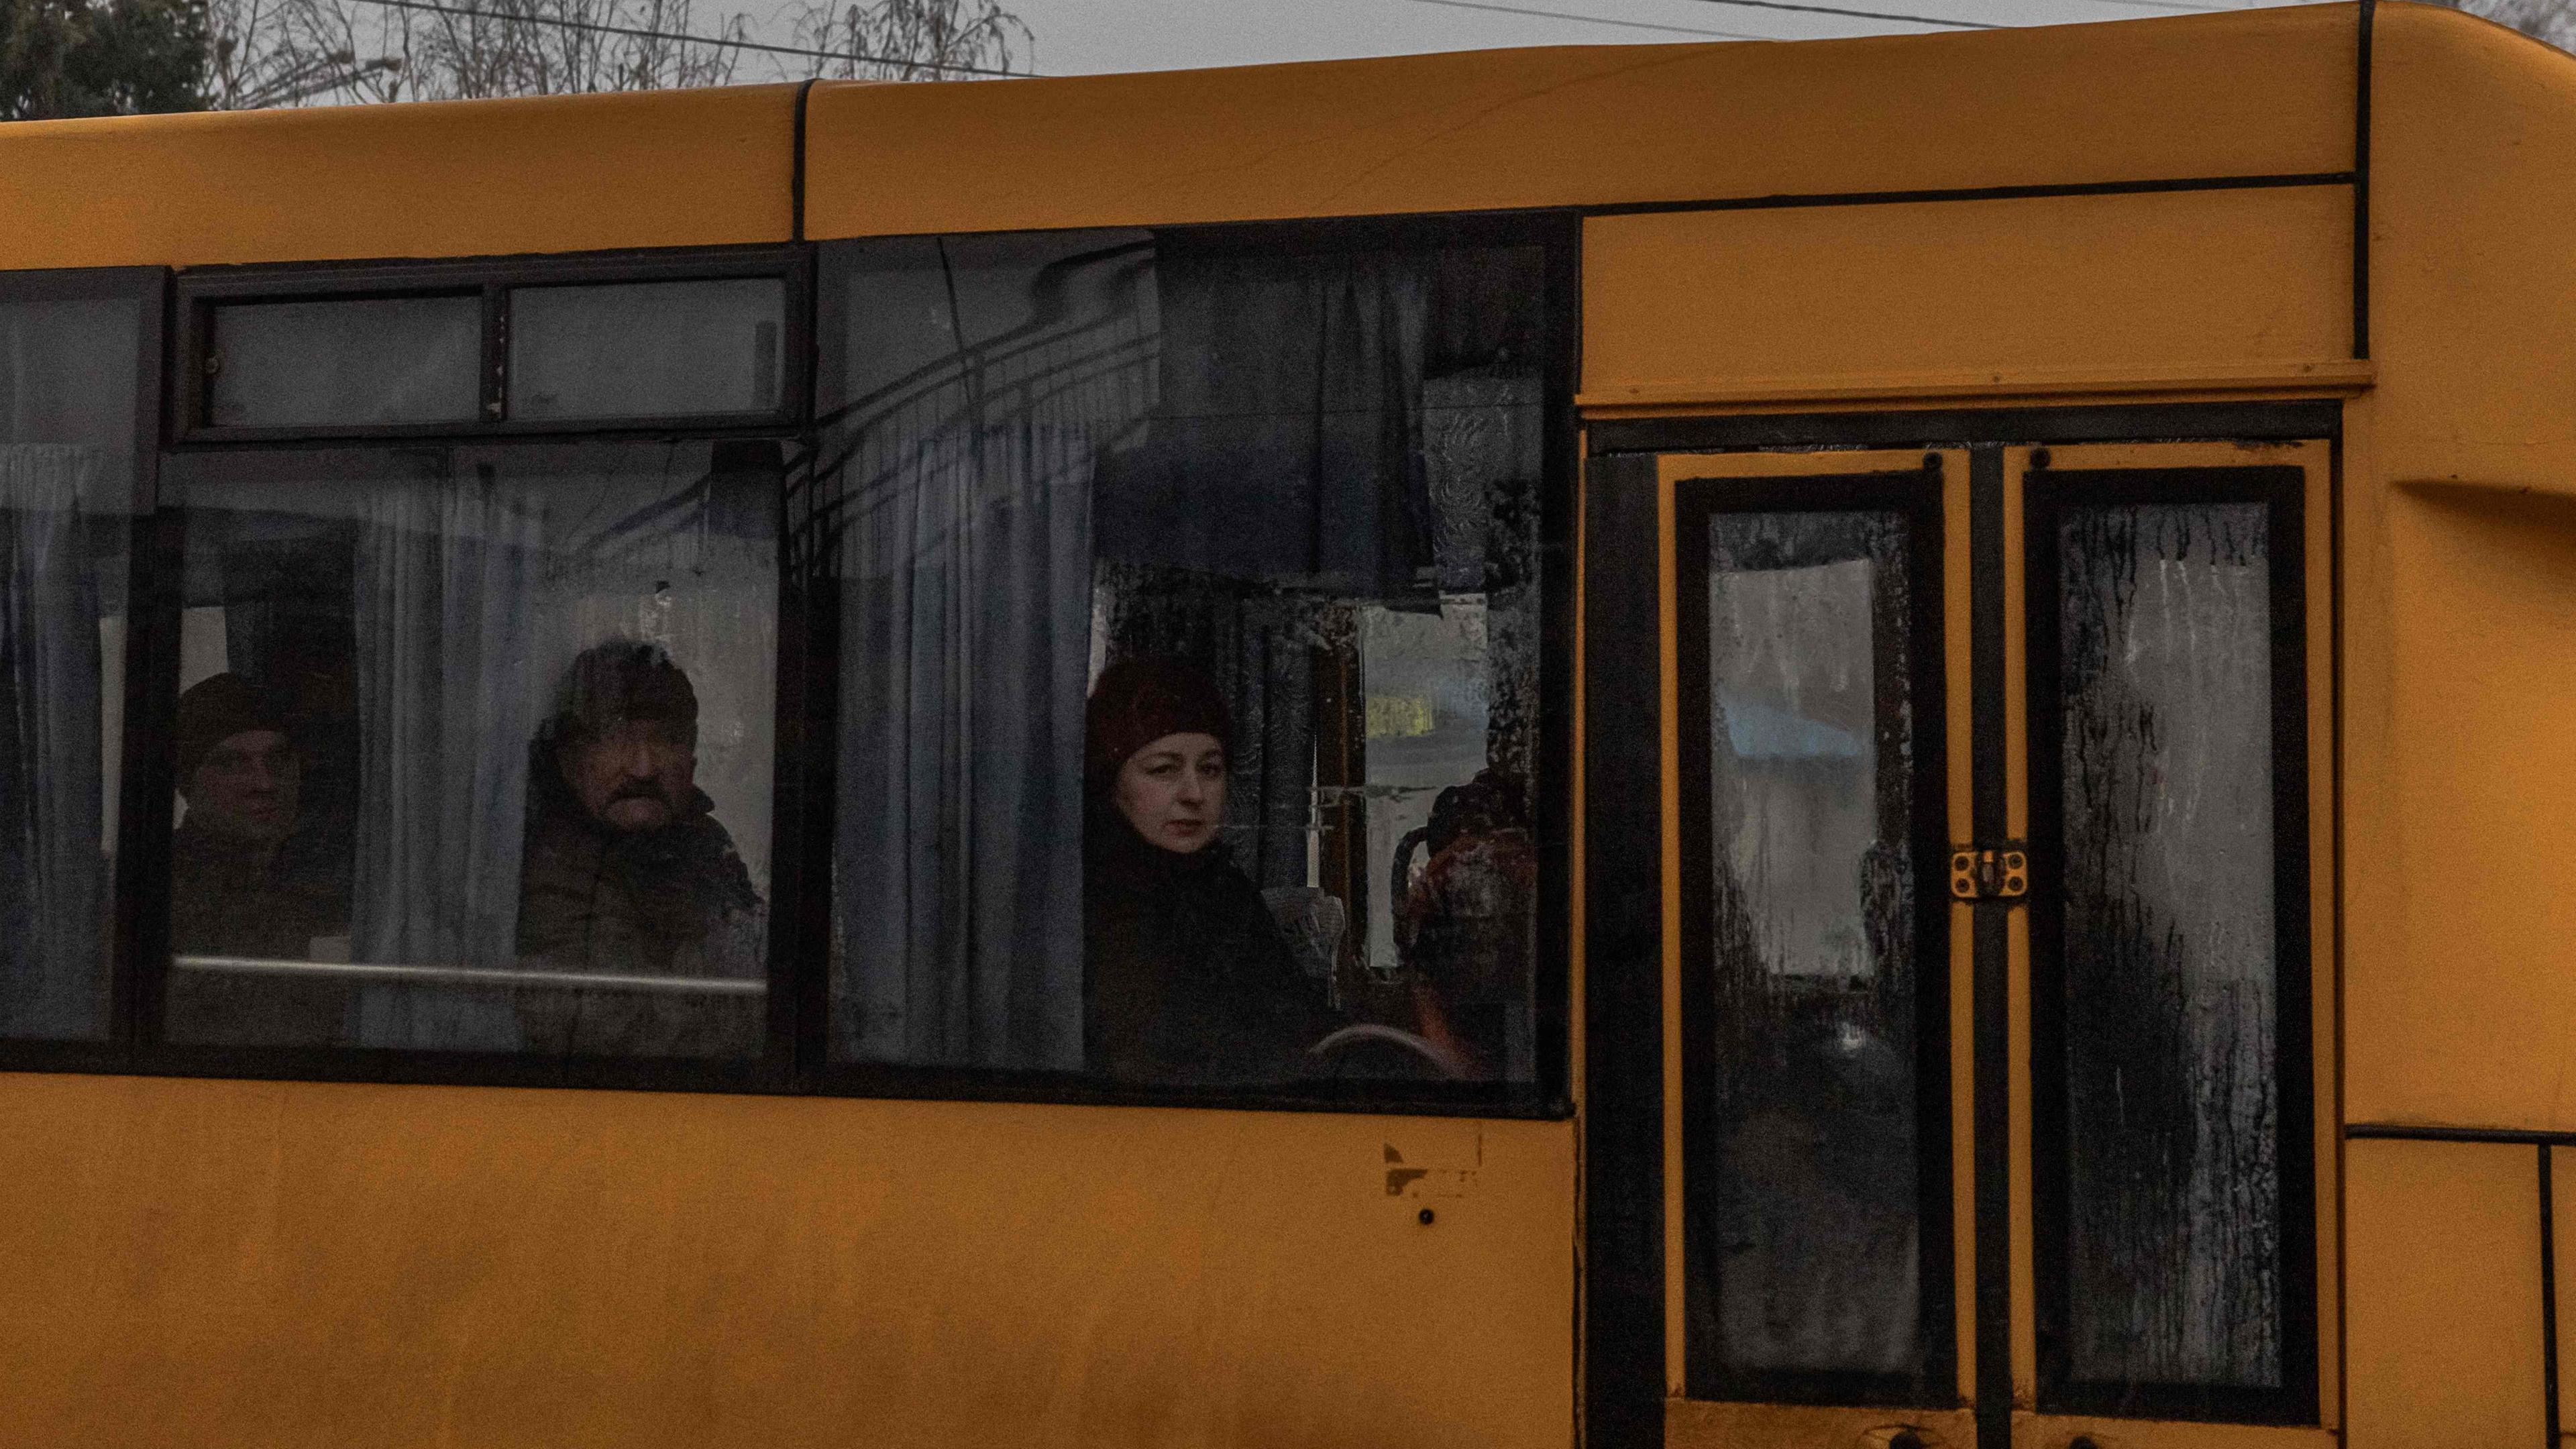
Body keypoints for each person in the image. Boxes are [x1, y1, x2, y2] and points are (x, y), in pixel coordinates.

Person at [1082, 657, 1338, 1085]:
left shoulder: (1222, 889)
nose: (1193, 794)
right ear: (1113, 783)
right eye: (1163, 770)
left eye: (1210, 769)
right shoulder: (1098, 899)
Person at [515, 639, 763, 1057]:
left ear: (692, 759)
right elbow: (609, 1031)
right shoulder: (549, 864)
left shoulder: (706, 845)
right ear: (569, 758)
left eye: (666, 740)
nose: (643, 767)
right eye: (615, 736)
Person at [164, 672, 350, 1042]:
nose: (264, 784)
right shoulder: (159, 886)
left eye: (277, 760)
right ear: (190, 781)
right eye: (232, 765)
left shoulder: (334, 875)